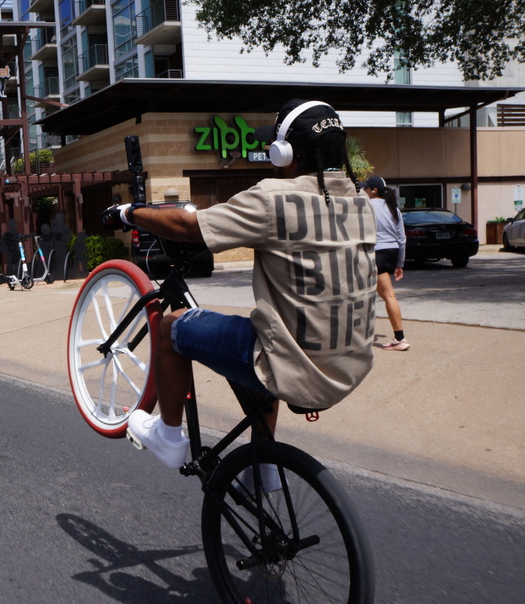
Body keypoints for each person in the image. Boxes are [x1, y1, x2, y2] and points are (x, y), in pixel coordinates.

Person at [102, 99, 377, 468]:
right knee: (265, 331)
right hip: (349, 365)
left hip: (295, 366)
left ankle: (167, 436)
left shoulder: (273, 198)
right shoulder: (361, 202)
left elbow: (189, 226)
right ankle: (264, 468)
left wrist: (130, 212)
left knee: (170, 327)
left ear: (285, 153)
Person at [360, 175, 409, 351]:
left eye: (366, 188)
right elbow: (402, 238)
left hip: (376, 252)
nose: (363, 191)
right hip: (391, 252)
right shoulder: (393, 208)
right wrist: (399, 264)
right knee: (383, 294)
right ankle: (397, 337)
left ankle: (400, 339)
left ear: (374, 191)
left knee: (386, 295)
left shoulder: (366, 205)